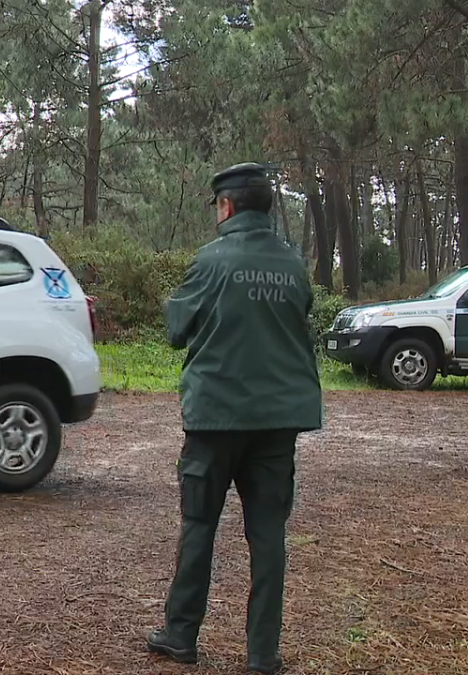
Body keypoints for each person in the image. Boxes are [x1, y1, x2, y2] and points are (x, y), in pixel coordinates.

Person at [145, 162, 324, 675]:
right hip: (277, 422)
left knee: (199, 523)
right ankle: (263, 654)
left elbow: (178, 329)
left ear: (225, 207)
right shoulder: (293, 264)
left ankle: (181, 635)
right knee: (268, 534)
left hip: (215, 420)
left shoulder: (209, 261)